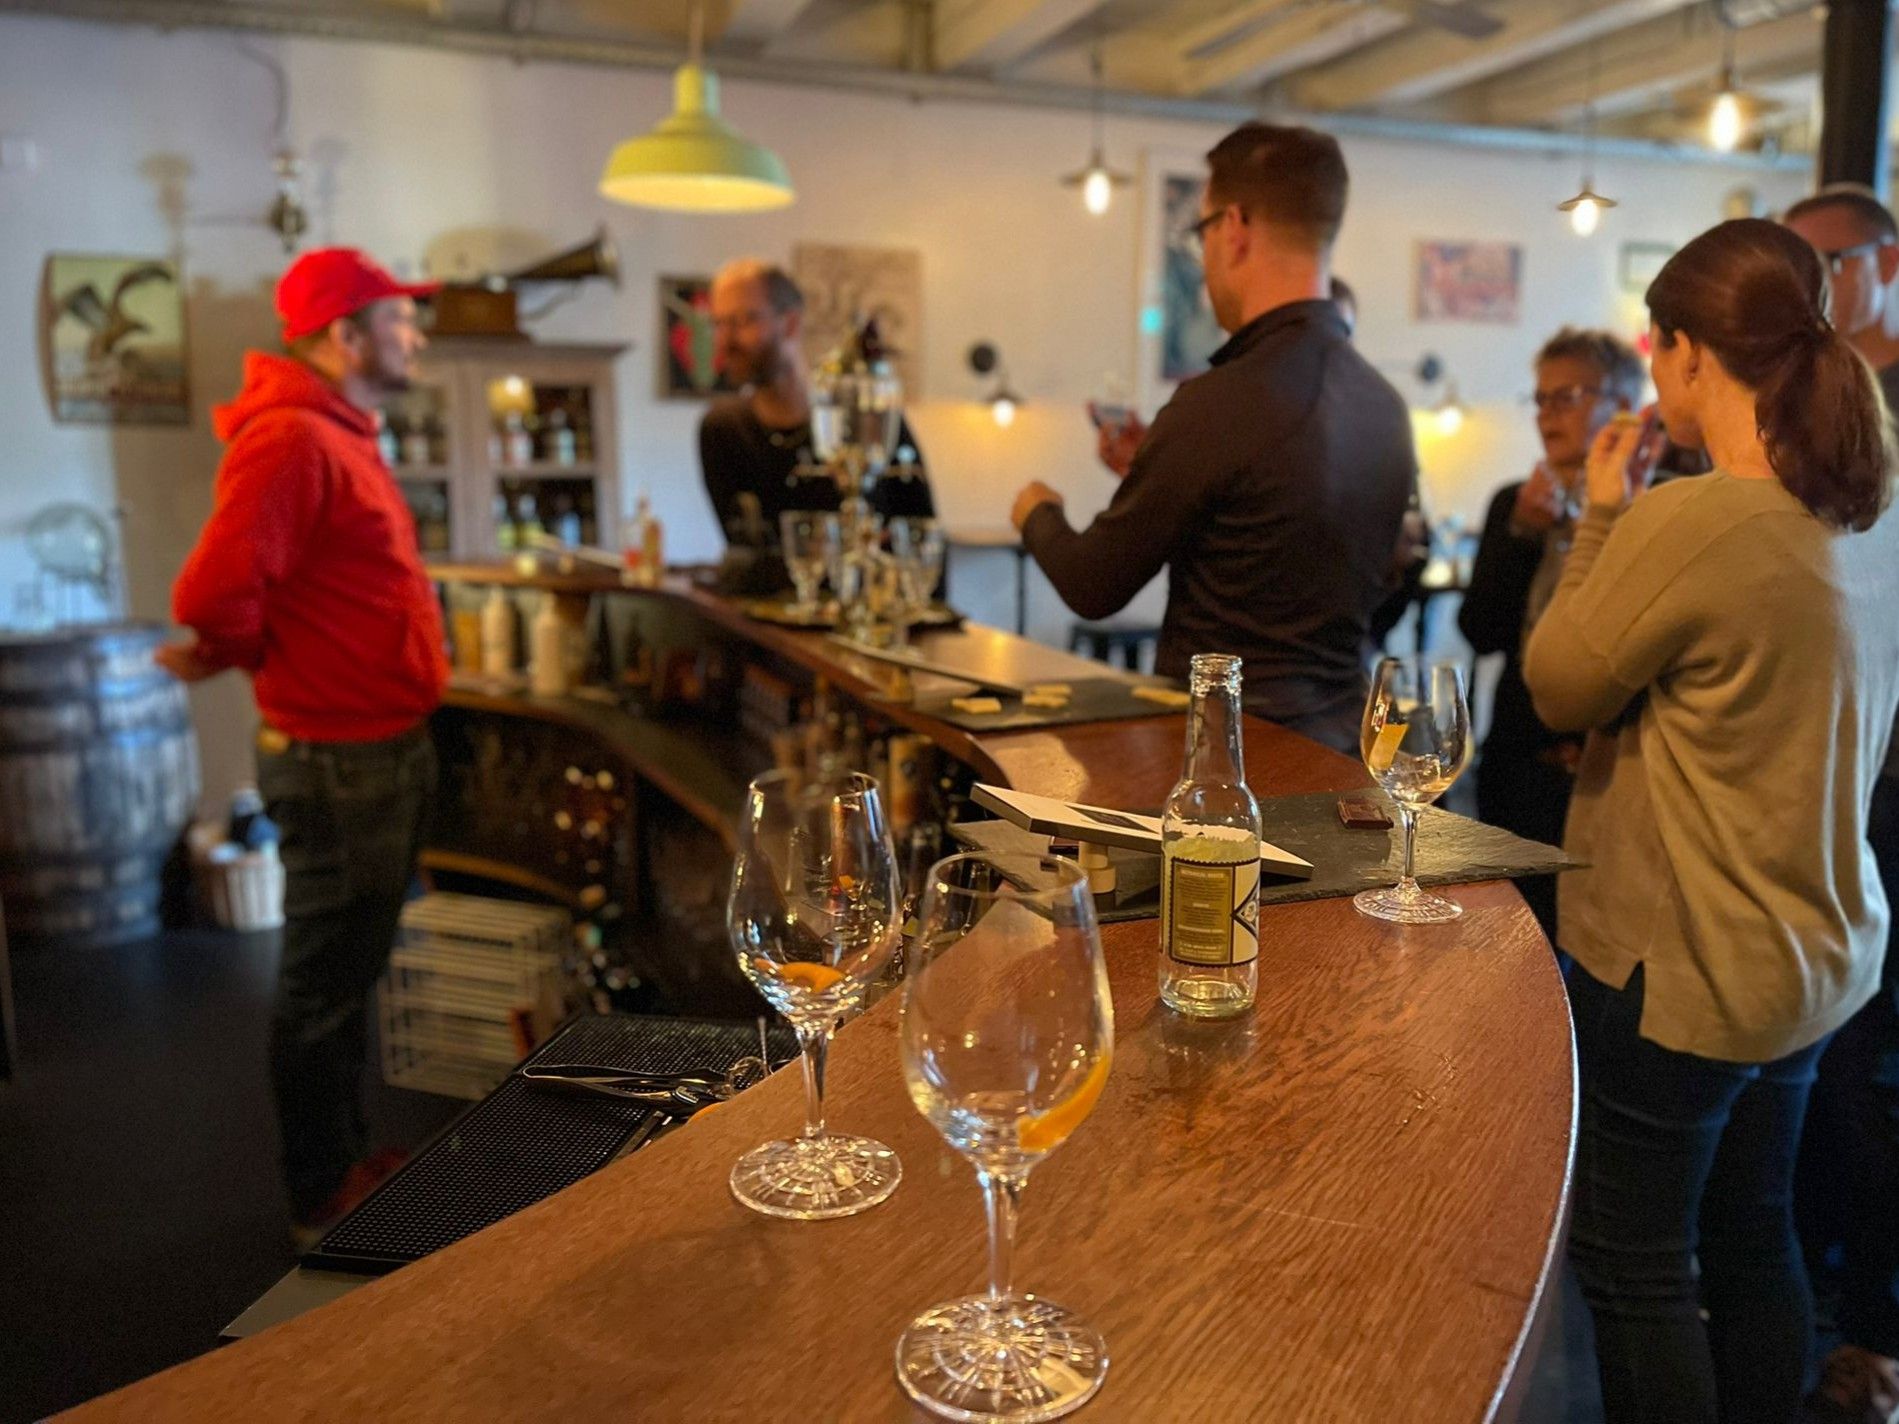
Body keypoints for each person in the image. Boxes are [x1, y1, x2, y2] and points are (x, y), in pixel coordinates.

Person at [1523, 218, 1899, 1424]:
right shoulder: (1873, 516)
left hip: (1684, 973)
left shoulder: (1696, 521)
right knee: (1755, 1234)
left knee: (1635, 1266)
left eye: (1659, 340)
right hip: (1816, 960)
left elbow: (1558, 684)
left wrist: (1599, 513)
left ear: (1690, 358)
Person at [160, 248, 448, 1244]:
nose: (414, 334)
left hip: (368, 748)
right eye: (399, 320)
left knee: (348, 973)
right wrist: (238, 650)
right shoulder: (292, 439)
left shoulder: (335, 433)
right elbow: (208, 594)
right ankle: (321, 1197)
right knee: (323, 986)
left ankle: (348, 1159)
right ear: (345, 334)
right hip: (340, 759)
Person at [1009, 123, 1415, 753]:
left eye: (1201, 235)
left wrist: (1037, 510)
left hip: (1225, 764)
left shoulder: (1220, 402)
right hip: (1344, 749)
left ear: (1234, 228)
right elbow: (1282, 533)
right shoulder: (1385, 407)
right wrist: (1158, 465)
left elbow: (1093, 584)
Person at [1784, 183, 1899, 1424]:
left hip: (1887, 777)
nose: (1809, 297)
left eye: (1825, 266)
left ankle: (1872, 1333)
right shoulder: (1813, 412)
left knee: (1864, 1072)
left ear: (1885, 263)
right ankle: (1822, 1306)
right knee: (1824, 1064)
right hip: (1828, 777)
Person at [1458, 328, 1644, 937]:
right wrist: (1519, 535)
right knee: (1504, 930)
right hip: (1514, 750)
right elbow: (1480, 631)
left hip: (1604, 764)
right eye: (1540, 399)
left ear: (1618, 405)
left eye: (1566, 397)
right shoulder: (1513, 501)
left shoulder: (1649, 507)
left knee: (1587, 934)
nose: (1547, 415)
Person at [699, 259, 933, 552]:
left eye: (742, 320)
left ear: (791, 323)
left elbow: (923, 540)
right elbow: (745, 558)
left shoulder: (867, 415)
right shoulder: (722, 431)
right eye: (719, 324)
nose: (725, 340)